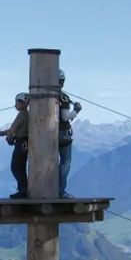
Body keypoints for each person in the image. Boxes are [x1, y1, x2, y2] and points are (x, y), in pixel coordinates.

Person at [0, 92, 30, 199]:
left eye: (17, 102)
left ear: (22, 103)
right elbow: (13, 129)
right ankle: (23, 189)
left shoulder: (22, 115)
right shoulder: (26, 114)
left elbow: (13, 129)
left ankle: (23, 190)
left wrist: (5, 135)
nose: (15, 104)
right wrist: (1, 133)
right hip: (24, 143)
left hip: (21, 142)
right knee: (20, 167)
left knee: (16, 167)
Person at [58, 69, 82, 198]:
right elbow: (65, 117)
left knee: (50, 163)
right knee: (65, 162)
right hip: (63, 134)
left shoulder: (46, 96)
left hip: (46, 135)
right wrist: (76, 111)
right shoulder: (63, 97)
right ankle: (61, 191)